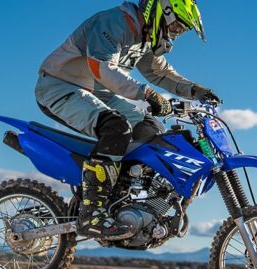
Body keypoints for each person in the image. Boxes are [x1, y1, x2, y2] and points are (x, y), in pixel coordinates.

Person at [35, 0, 219, 240]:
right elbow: (102, 68)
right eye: (176, 27)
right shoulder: (115, 22)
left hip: (97, 92)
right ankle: (92, 212)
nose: (175, 34)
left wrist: (196, 91)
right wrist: (147, 94)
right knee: (116, 128)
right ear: (162, 12)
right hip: (60, 86)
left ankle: (121, 202)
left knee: (151, 129)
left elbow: (159, 72)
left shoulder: (145, 39)